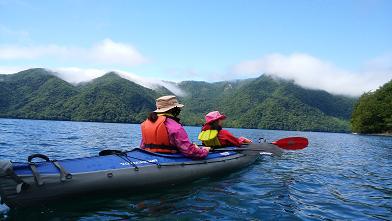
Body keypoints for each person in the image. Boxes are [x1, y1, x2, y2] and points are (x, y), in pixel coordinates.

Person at [140, 95, 210, 159]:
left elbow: (142, 146)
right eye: (177, 108)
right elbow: (189, 150)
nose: (179, 110)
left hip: (150, 157)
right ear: (173, 109)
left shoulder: (146, 123)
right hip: (168, 158)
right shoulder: (175, 127)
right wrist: (204, 150)